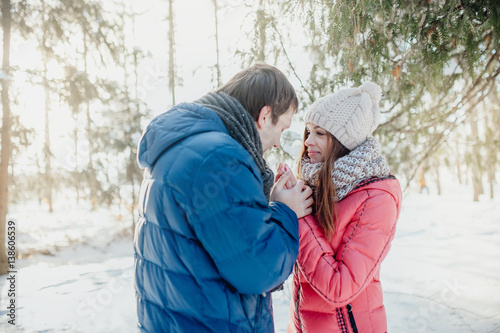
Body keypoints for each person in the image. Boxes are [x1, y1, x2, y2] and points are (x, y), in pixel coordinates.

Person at [134, 62, 314, 332]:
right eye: (282, 129)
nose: (278, 142)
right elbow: (258, 269)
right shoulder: (220, 159)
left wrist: (263, 203)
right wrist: (285, 211)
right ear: (265, 116)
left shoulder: (184, 146)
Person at [280, 82, 402, 333]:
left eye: (320, 133)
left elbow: (340, 288)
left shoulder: (377, 197)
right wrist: (279, 207)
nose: (308, 141)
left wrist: (298, 217)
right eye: (308, 131)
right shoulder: (314, 183)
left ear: (343, 141)